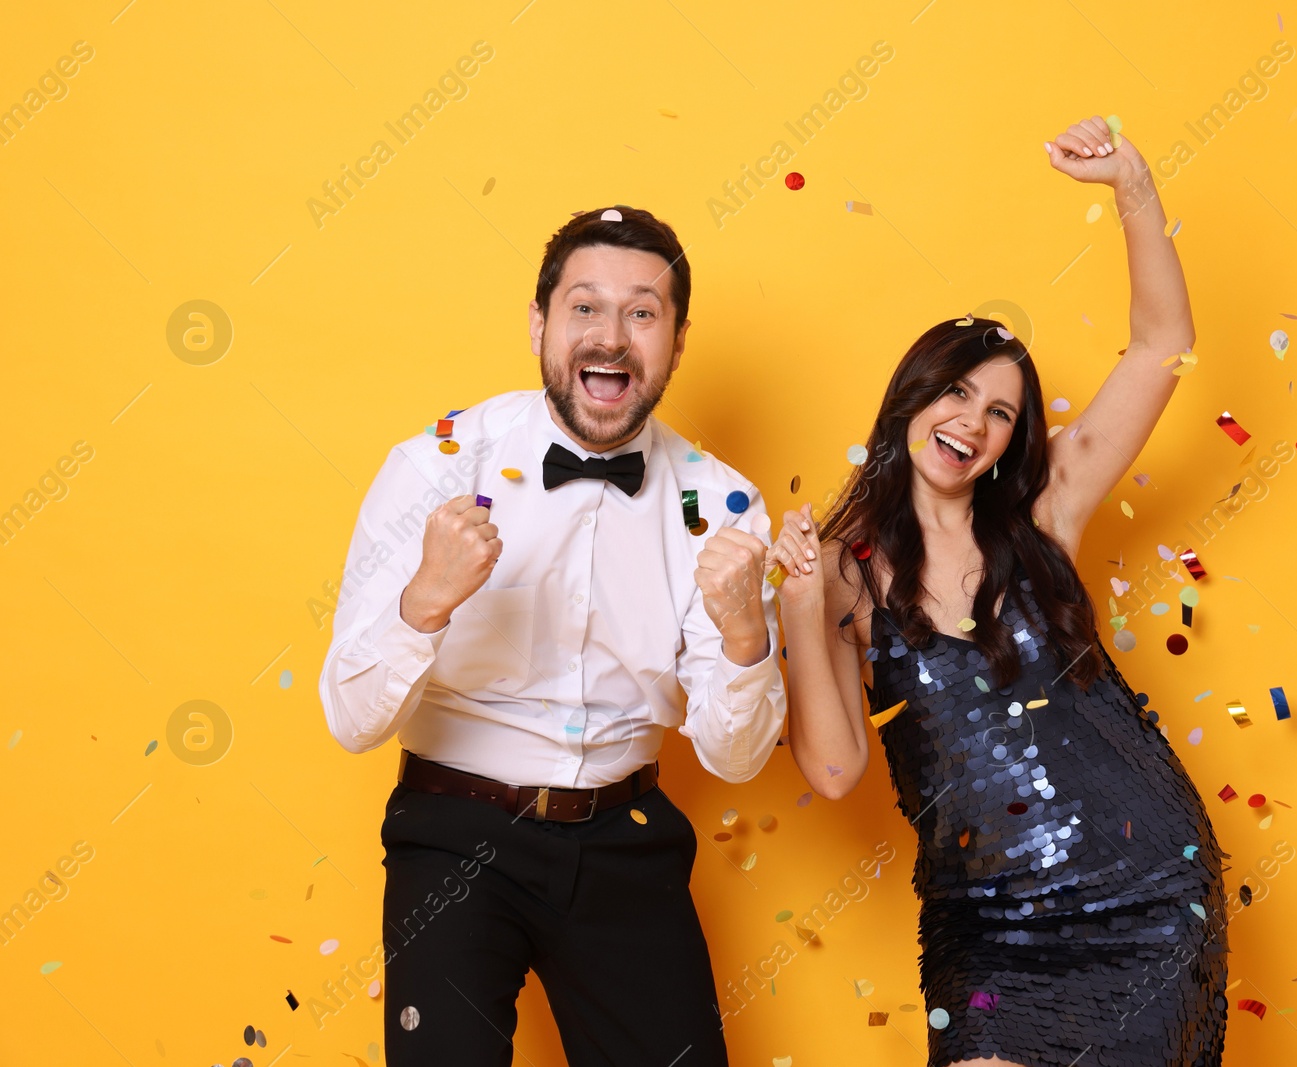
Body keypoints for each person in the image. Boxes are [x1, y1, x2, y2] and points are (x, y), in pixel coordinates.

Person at [765, 116, 1230, 1066]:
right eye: (957, 394)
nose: (972, 422)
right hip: (992, 936)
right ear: (911, 400)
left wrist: (1133, 185)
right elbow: (837, 770)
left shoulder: (1046, 518)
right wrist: (798, 609)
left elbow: (1161, 347)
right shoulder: (845, 576)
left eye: (1001, 411)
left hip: (1149, 901)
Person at [317, 206, 785, 1067]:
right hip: (453, 828)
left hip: (625, 839)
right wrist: (425, 599)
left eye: (643, 312)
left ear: (677, 340)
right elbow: (350, 720)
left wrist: (749, 637)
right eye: (584, 307)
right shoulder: (437, 464)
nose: (611, 337)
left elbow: (736, 758)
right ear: (540, 321)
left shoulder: (720, 505)